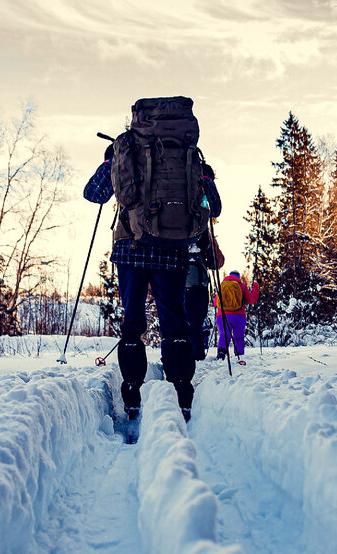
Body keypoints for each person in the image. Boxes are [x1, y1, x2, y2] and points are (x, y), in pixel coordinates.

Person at [83, 98, 221, 421]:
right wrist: (205, 181)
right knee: (176, 321)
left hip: (131, 250)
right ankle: (182, 394)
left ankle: (132, 397)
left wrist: (112, 163)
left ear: (137, 119)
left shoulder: (126, 148)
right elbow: (212, 207)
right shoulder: (187, 153)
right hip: (172, 252)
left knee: (133, 323)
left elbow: (93, 193)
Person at [186, 164, 223, 361]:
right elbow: (217, 262)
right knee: (196, 322)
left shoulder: (176, 218)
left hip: (174, 277)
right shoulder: (203, 226)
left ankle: (174, 357)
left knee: (176, 319)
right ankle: (197, 356)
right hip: (198, 282)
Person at [214, 270, 259, 358]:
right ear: (238, 277)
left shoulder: (222, 286)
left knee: (224, 335)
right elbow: (251, 300)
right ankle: (239, 353)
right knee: (238, 336)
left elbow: (216, 303)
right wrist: (256, 287)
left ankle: (222, 351)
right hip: (239, 316)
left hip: (222, 316)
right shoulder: (241, 286)